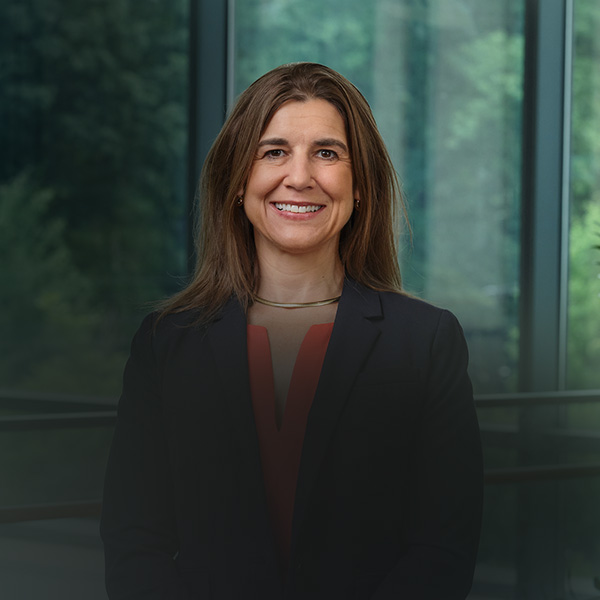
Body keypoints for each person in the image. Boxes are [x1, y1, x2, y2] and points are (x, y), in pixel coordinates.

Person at [100, 62, 483, 599]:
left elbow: (443, 549)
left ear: (361, 188)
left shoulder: (427, 343)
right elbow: (134, 540)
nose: (299, 176)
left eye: (327, 153)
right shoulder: (167, 342)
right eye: (273, 151)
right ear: (238, 182)